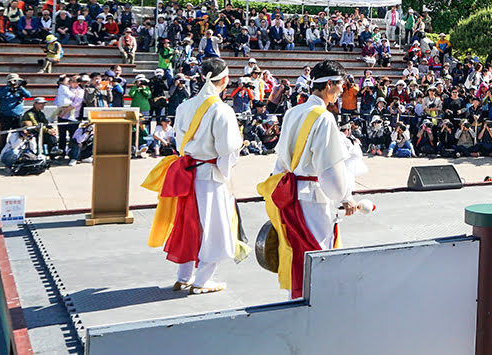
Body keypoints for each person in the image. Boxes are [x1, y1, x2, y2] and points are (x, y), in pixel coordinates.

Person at [142, 57, 245, 295]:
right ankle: (202, 280)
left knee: (188, 224)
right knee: (215, 229)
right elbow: (228, 150)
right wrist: (225, 172)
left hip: (187, 172)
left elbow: (179, 141)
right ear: (225, 80)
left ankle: (184, 277)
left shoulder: (184, 106)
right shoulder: (222, 109)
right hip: (210, 175)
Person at [259, 60, 362, 298]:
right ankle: (314, 303)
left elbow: (282, 158)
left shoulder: (293, 112)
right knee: (318, 252)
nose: (341, 92)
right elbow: (328, 168)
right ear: (328, 85)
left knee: (296, 251)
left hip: (291, 191)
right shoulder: (324, 118)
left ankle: (297, 300)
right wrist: (345, 197)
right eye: (340, 87)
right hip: (314, 196)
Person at [0, 73, 32, 152]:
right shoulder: (3, 89)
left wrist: (20, 87)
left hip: (17, 116)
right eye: (13, 81)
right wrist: (9, 86)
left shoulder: (20, 90)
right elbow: (1, 95)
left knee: (18, 134)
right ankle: (1, 151)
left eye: (16, 81)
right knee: (3, 134)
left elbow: (29, 95)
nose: (15, 82)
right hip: (5, 116)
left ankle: (16, 150)